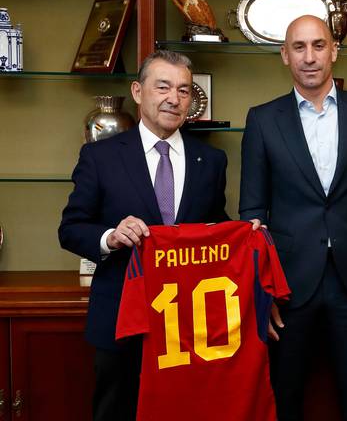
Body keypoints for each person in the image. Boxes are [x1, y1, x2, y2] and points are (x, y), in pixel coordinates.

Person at [239, 15, 347, 421]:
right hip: (288, 287)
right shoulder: (262, 120)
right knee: (285, 396)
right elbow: (252, 214)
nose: (309, 57)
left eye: (317, 45)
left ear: (334, 51)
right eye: (298, 47)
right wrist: (263, 288)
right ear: (284, 55)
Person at [58, 50, 229, 421]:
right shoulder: (99, 157)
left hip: (190, 323)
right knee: (116, 411)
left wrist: (244, 234)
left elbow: (216, 228)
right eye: (163, 86)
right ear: (138, 92)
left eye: (184, 90)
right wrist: (111, 236)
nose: (174, 98)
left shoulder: (211, 161)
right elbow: (71, 228)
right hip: (121, 316)